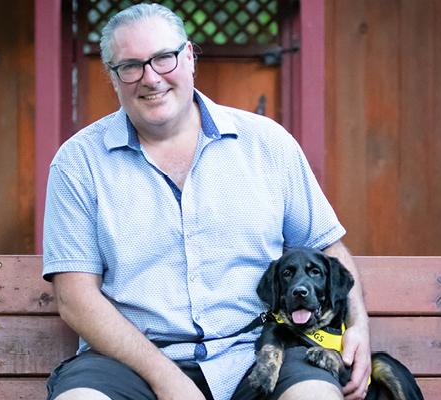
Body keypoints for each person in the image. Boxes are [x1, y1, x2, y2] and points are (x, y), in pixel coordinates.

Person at [41, 4, 370, 400]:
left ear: (190, 57)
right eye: (130, 66)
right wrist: (167, 379)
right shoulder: (78, 164)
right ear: (113, 77)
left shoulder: (267, 144)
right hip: (130, 362)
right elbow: (76, 298)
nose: (151, 78)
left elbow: (327, 246)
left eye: (164, 58)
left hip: (259, 351)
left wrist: (358, 328)